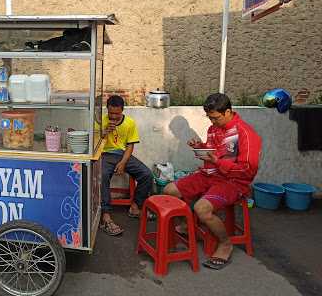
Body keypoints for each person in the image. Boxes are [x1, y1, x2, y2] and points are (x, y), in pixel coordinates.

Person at [163, 93, 262, 270]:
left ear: (228, 112)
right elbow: (213, 153)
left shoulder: (245, 133)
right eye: (209, 118)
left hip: (233, 181)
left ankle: (225, 243)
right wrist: (200, 148)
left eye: (215, 118)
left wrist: (218, 162)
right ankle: (190, 225)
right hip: (210, 174)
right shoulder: (213, 129)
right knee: (169, 190)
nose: (212, 122)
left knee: (202, 208)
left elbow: (248, 170)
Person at [99, 95, 153, 236]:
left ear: (122, 110)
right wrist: (104, 133)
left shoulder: (129, 123)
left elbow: (130, 146)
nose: (114, 116)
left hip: (123, 154)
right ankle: (106, 215)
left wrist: (123, 162)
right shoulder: (101, 121)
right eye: (111, 113)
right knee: (102, 175)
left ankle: (135, 207)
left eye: (117, 113)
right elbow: (95, 144)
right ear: (107, 110)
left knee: (146, 174)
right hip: (105, 154)